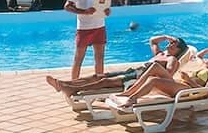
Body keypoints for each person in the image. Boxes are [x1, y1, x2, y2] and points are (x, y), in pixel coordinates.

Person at [46, 34, 189, 96]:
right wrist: (165, 36)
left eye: (173, 44)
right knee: (99, 76)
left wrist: (151, 74)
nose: (170, 44)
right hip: (135, 71)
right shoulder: (162, 54)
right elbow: (152, 41)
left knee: (105, 81)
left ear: (178, 50)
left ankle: (72, 89)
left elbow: (168, 77)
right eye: (170, 42)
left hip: (140, 77)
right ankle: (65, 83)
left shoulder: (172, 60)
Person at [112, 47, 208, 109]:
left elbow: (206, 91)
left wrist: (189, 80)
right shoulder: (205, 66)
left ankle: (133, 98)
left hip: (187, 90)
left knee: (153, 80)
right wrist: (207, 50)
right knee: (155, 66)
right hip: (180, 85)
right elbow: (198, 56)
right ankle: (129, 92)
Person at [64, 0, 111, 79]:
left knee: (99, 57)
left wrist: (107, 10)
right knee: (79, 58)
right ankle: (73, 85)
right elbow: (67, 6)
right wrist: (84, 12)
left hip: (100, 26)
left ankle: (98, 86)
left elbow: (104, 4)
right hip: (84, 28)